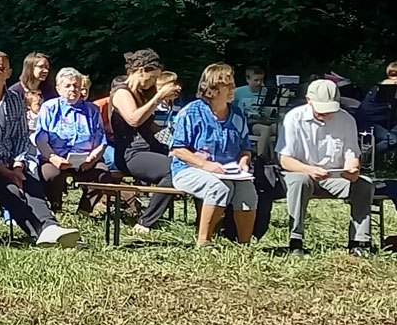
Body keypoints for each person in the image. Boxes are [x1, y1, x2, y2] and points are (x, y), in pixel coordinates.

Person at [0, 52, 80, 247]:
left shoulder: (15, 100)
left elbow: (22, 137)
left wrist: (17, 166)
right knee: (10, 191)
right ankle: (38, 231)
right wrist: (5, 171)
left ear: (8, 73)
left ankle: (51, 226)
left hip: (13, 162)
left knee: (32, 185)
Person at [277, 79, 373, 255]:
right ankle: (295, 240)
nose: (326, 113)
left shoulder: (347, 119)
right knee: (300, 182)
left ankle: (360, 242)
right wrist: (309, 170)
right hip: (300, 173)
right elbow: (284, 160)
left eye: (330, 109)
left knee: (364, 184)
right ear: (308, 100)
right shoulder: (294, 118)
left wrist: (352, 169)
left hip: (334, 177)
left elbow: (352, 153)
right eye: (321, 109)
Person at [169, 63, 256, 247]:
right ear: (213, 89)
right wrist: (205, 165)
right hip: (189, 169)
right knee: (219, 188)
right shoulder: (191, 112)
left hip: (230, 171)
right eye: (228, 85)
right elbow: (177, 149)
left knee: (248, 191)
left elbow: (245, 147)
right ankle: (204, 241)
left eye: (232, 83)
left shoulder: (237, 114)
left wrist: (244, 161)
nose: (233, 89)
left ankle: (244, 244)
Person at [109, 49, 181, 233]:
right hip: (131, 154)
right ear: (140, 70)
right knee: (173, 171)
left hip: (149, 148)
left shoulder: (142, 94)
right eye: (152, 77)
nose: (152, 83)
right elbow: (133, 119)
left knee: (188, 163)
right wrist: (158, 98)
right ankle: (145, 222)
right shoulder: (121, 92)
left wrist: (178, 140)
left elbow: (151, 127)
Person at [32, 67, 111, 212]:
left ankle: (85, 210)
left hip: (86, 158)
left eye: (75, 85)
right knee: (50, 175)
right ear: (58, 89)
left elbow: (101, 140)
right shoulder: (49, 108)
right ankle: (56, 206)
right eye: (67, 86)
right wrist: (54, 158)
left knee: (103, 174)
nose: (72, 89)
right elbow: (40, 139)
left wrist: (93, 158)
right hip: (56, 157)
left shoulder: (92, 109)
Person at [234, 66, 274, 158]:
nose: (259, 83)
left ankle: (278, 158)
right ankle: (260, 158)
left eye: (261, 80)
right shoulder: (238, 92)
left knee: (281, 127)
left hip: (262, 119)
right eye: (256, 80)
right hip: (247, 122)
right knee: (265, 130)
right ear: (248, 79)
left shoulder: (265, 91)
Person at [11, 52, 55, 121]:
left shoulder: (50, 91)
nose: (46, 71)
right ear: (30, 67)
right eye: (41, 67)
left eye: (47, 67)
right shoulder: (14, 92)